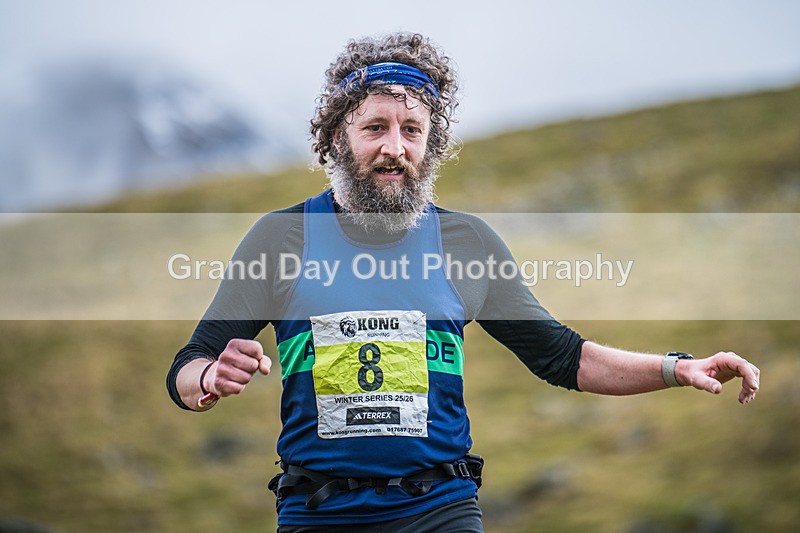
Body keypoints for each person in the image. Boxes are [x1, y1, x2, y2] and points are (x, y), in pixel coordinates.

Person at [166, 32, 760, 532]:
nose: (394, 147)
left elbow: (563, 358)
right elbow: (187, 368)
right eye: (374, 126)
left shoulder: (465, 244)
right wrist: (209, 379)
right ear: (337, 137)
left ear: (431, 146)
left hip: (439, 509)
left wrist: (676, 367)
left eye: (412, 130)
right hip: (318, 511)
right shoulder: (281, 239)